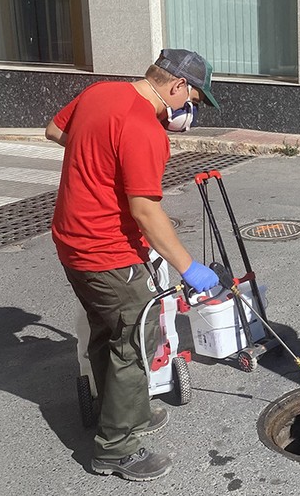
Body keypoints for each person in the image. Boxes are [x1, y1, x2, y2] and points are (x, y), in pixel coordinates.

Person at [46, 48, 222, 482]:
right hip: (109, 254)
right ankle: (117, 449)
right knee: (132, 343)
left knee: (107, 332)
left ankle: (124, 410)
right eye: (193, 100)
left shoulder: (99, 93)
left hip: (71, 242)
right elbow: (145, 211)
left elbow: (54, 130)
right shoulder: (145, 129)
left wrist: (98, 162)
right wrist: (189, 267)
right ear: (177, 85)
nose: (188, 110)